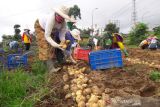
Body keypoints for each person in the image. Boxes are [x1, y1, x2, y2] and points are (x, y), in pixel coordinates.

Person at [34, 5, 76, 72]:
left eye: (62, 18)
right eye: (59, 16)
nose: (61, 18)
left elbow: (62, 35)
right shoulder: (51, 19)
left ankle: (49, 62)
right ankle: (51, 69)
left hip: (52, 30)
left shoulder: (63, 23)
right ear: (56, 14)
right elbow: (47, 36)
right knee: (44, 45)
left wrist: (62, 43)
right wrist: (56, 44)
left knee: (51, 48)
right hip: (40, 27)